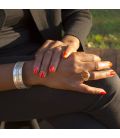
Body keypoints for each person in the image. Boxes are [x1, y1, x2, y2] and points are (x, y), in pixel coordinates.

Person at [0, 9, 119, 129]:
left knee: (88, 123)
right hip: (6, 79)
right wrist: (33, 73)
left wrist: (69, 42)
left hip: (43, 54)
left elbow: (77, 11)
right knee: (102, 83)